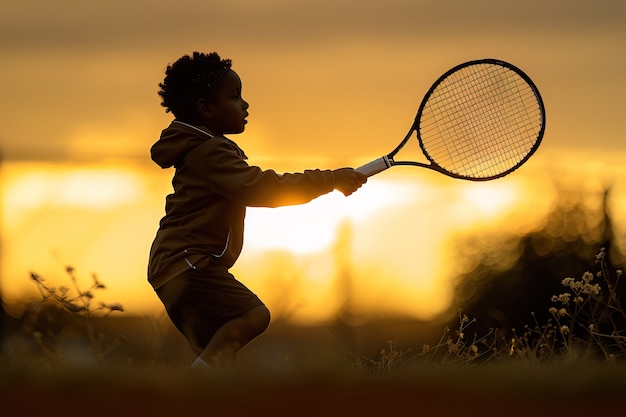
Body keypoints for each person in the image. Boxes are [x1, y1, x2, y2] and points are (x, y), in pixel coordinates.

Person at [148, 52, 367, 370]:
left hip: (172, 265)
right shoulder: (212, 152)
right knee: (252, 315)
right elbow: (264, 188)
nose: (245, 105)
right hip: (187, 263)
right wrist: (330, 179)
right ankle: (191, 388)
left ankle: (192, 400)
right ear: (205, 109)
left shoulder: (202, 149)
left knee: (215, 352)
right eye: (235, 97)